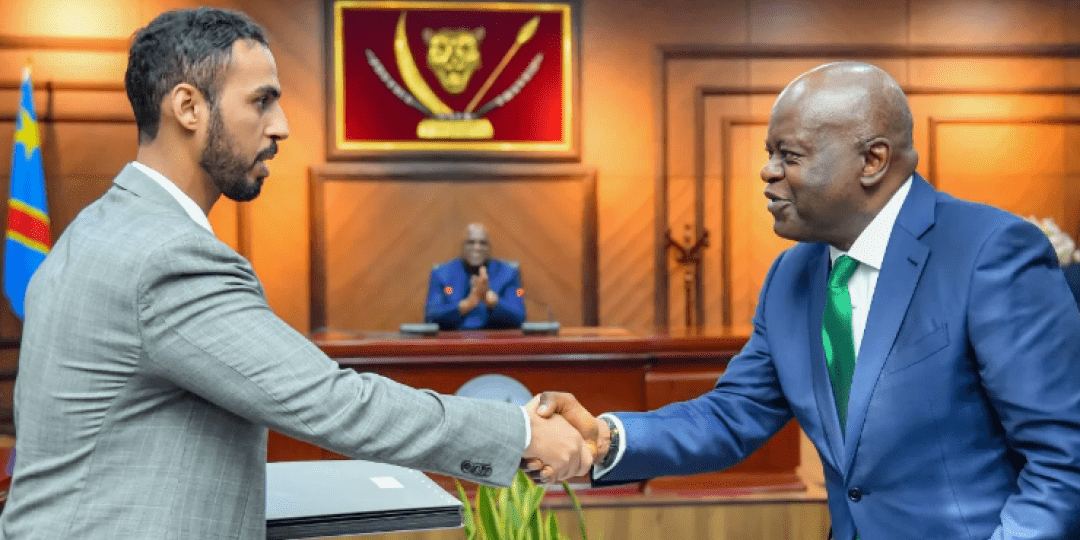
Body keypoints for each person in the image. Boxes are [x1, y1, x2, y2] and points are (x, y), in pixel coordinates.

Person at [0, 9, 590, 540]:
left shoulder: (93, 230)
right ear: (187, 107)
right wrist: (520, 433)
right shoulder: (167, 258)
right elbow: (333, 403)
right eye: (261, 101)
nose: (281, 126)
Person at [531, 62, 1080, 539]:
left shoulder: (989, 251)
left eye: (788, 155)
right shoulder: (792, 274)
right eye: (770, 153)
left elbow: (1063, 460)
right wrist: (602, 439)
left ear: (873, 161)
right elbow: (733, 415)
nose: (767, 172)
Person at [424, 223, 526, 330]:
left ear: (489, 247)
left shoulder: (508, 273)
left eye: (483, 243)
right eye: (470, 242)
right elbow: (430, 317)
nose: (477, 248)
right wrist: (467, 304)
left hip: (496, 342)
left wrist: (491, 301)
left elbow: (520, 317)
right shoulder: (441, 274)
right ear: (462, 247)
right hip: (453, 343)